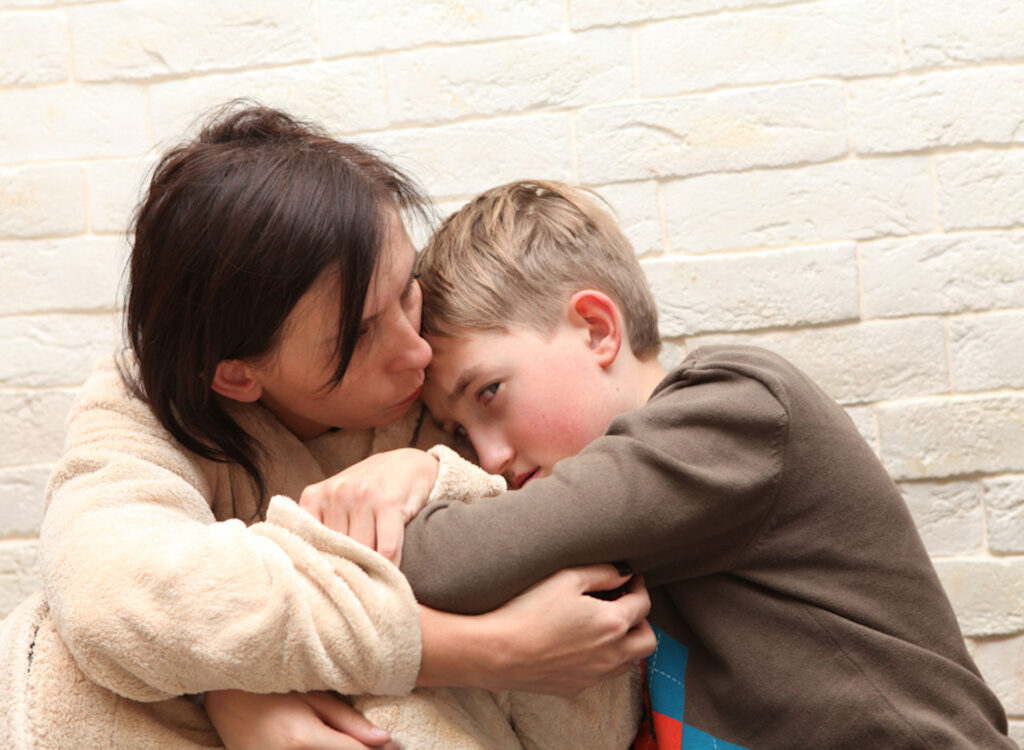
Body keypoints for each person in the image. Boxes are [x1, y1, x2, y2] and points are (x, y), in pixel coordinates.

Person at [0, 106, 654, 750]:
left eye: (406, 290)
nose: (416, 351)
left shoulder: (459, 372)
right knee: (65, 654)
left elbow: (578, 636)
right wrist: (474, 651)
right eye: (360, 334)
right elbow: (114, 595)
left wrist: (433, 474)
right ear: (237, 376)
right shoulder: (147, 399)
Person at [385, 179, 1016, 749]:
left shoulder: (736, 406)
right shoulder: (638, 516)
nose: (489, 456)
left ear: (597, 329)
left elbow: (448, 563)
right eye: (461, 432)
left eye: (490, 392)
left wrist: (421, 476)